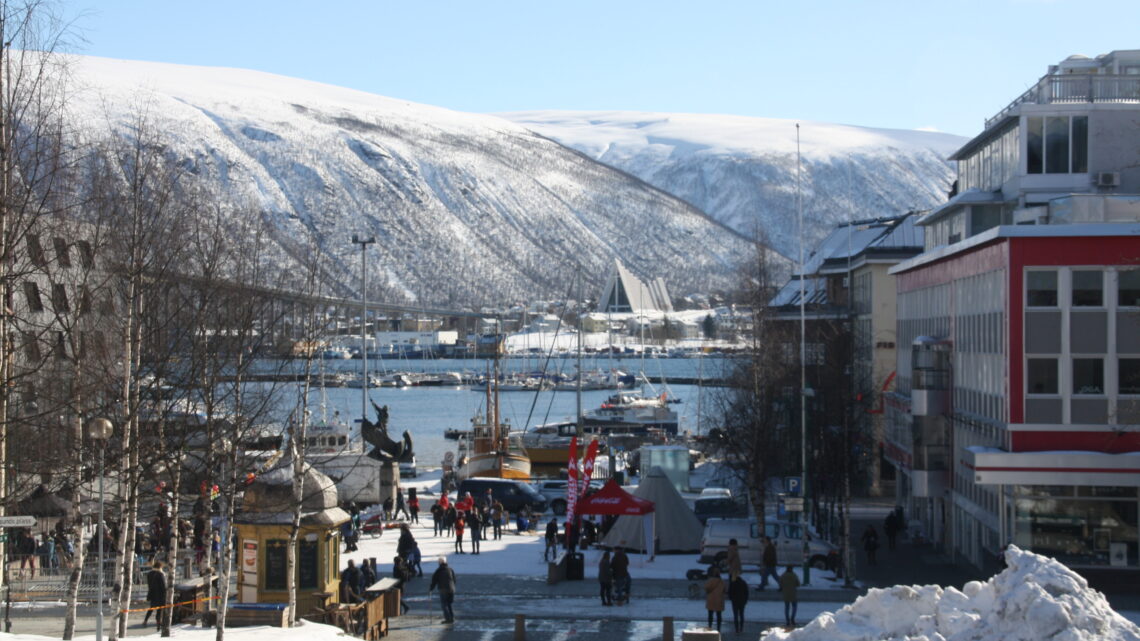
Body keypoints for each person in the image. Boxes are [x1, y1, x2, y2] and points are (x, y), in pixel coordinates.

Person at [429, 555, 457, 624]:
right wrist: (453, 586)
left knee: (444, 604)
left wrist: (431, 589)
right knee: (449, 604)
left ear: (439, 563)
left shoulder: (438, 571)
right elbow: (454, 579)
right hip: (451, 589)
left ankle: (448, 618)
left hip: (443, 589)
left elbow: (434, 580)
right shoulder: (450, 569)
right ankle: (452, 617)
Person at [143, 561, 168, 629]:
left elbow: (149, 584)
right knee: (159, 610)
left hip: (152, 593)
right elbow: (163, 585)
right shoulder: (160, 574)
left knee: (152, 607)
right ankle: (158, 623)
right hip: (160, 594)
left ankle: (145, 620)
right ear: (160, 567)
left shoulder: (149, 574)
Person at [704, 568, 725, 632]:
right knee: (719, 615)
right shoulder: (721, 581)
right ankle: (718, 628)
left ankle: (710, 626)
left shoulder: (710, 581)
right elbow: (725, 590)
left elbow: (706, 587)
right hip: (719, 600)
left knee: (710, 615)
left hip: (711, 600)